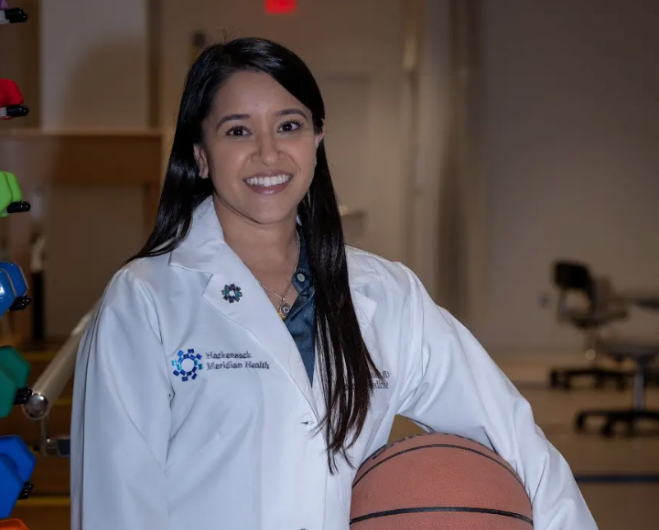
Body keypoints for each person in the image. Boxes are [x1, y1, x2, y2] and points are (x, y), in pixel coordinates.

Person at [70, 37, 597, 530]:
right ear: (200, 154)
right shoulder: (145, 298)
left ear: (318, 139)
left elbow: (512, 435)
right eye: (237, 130)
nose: (268, 154)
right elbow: (117, 499)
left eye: (289, 125)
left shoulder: (386, 294)